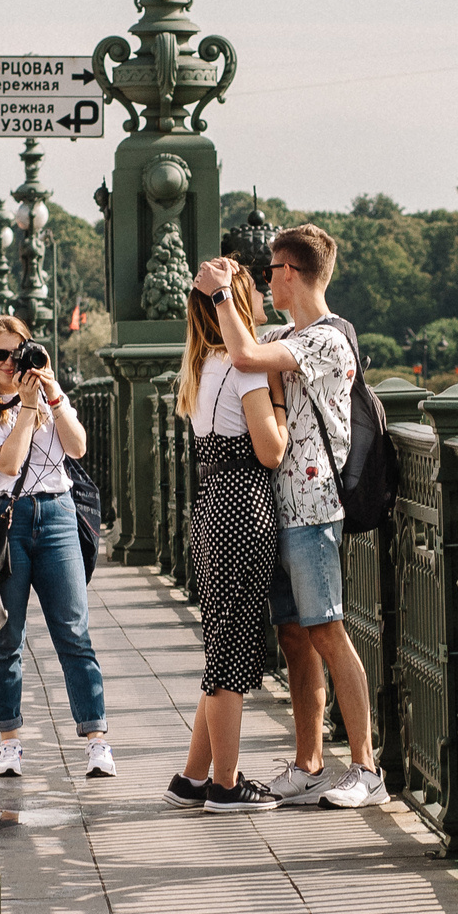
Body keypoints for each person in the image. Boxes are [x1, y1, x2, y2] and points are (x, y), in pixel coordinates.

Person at [187, 225, 386, 810]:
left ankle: (366, 767)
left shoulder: (324, 342)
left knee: (326, 629)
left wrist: (225, 295)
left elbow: (245, 354)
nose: (265, 277)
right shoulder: (287, 333)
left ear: (291, 274)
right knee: (295, 637)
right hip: (276, 510)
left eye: (270, 270)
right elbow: (235, 346)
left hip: (314, 507)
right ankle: (307, 763)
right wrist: (217, 297)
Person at [0, 314, 112, 778]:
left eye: (18, 352)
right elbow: (6, 463)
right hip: (6, 519)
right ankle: (10, 744)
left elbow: (79, 446)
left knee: (74, 630)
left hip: (57, 513)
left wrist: (52, 391)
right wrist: (26, 408)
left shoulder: (45, 393)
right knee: (5, 637)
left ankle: (96, 740)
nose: (10, 363)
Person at [163, 267, 288, 812]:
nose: (262, 292)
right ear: (236, 302)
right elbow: (271, 451)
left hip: (212, 503)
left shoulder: (202, 366)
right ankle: (226, 784)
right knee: (233, 650)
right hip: (245, 504)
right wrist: (279, 403)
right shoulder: (245, 370)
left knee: (223, 645)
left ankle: (192, 778)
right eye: (254, 287)